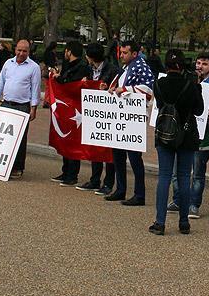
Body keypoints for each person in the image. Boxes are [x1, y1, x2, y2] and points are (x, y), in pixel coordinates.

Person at [149, 49, 204, 235]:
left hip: (165, 131)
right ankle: (184, 222)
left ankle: (160, 222)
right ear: (182, 66)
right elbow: (198, 110)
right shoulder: (190, 84)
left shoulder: (158, 84)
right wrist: (197, 86)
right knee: (184, 176)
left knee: (164, 176)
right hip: (186, 134)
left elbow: (160, 105)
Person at [168, 51, 209, 218]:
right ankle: (178, 200)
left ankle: (194, 204)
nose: (200, 66)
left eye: (204, 64)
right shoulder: (185, 80)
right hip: (182, 132)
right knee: (176, 170)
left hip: (203, 136)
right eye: (198, 63)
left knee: (198, 173)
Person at [105, 40, 154, 205]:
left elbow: (148, 90)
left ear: (134, 53)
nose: (121, 55)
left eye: (125, 53)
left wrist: (125, 90)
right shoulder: (127, 67)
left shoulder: (142, 67)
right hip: (121, 116)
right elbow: (120, 86)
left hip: (134, 119)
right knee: (118, 155)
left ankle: (139, 195)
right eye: (121, 52)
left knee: (134, 157)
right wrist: (111, 88)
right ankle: (120, 189)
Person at [0, 39, 40, 179]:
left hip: (22, 106)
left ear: (29, 52)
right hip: (6, 104)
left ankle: (17, 167)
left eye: (24, 51)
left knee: (20, 138)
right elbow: (0, 82)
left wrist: (34, 107)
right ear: (15, 50)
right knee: (3, 136)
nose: (21, 53)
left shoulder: (34, 67)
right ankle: (2, 164)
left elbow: (35, 88)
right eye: (19, 50)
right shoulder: (8, 63)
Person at [70, 42, 121, 194]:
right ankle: (95, 179)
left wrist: (106, 89)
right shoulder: (89, 69)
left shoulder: (112, 70)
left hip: (108, 114)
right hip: (94, 113)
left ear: (91, 57)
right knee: (95, 146)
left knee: (109, 149)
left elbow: (116, 89)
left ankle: (108, 183)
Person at [50, 40, 92, 185]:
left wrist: (59, 78)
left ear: (69, 51)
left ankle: (72, 174)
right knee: (65, 138)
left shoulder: (82, 67)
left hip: (75, 108)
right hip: (66, 107)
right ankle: (65, 171)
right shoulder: (69, 65)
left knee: (73, 141)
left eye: (66, 50)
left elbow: (73, 84)